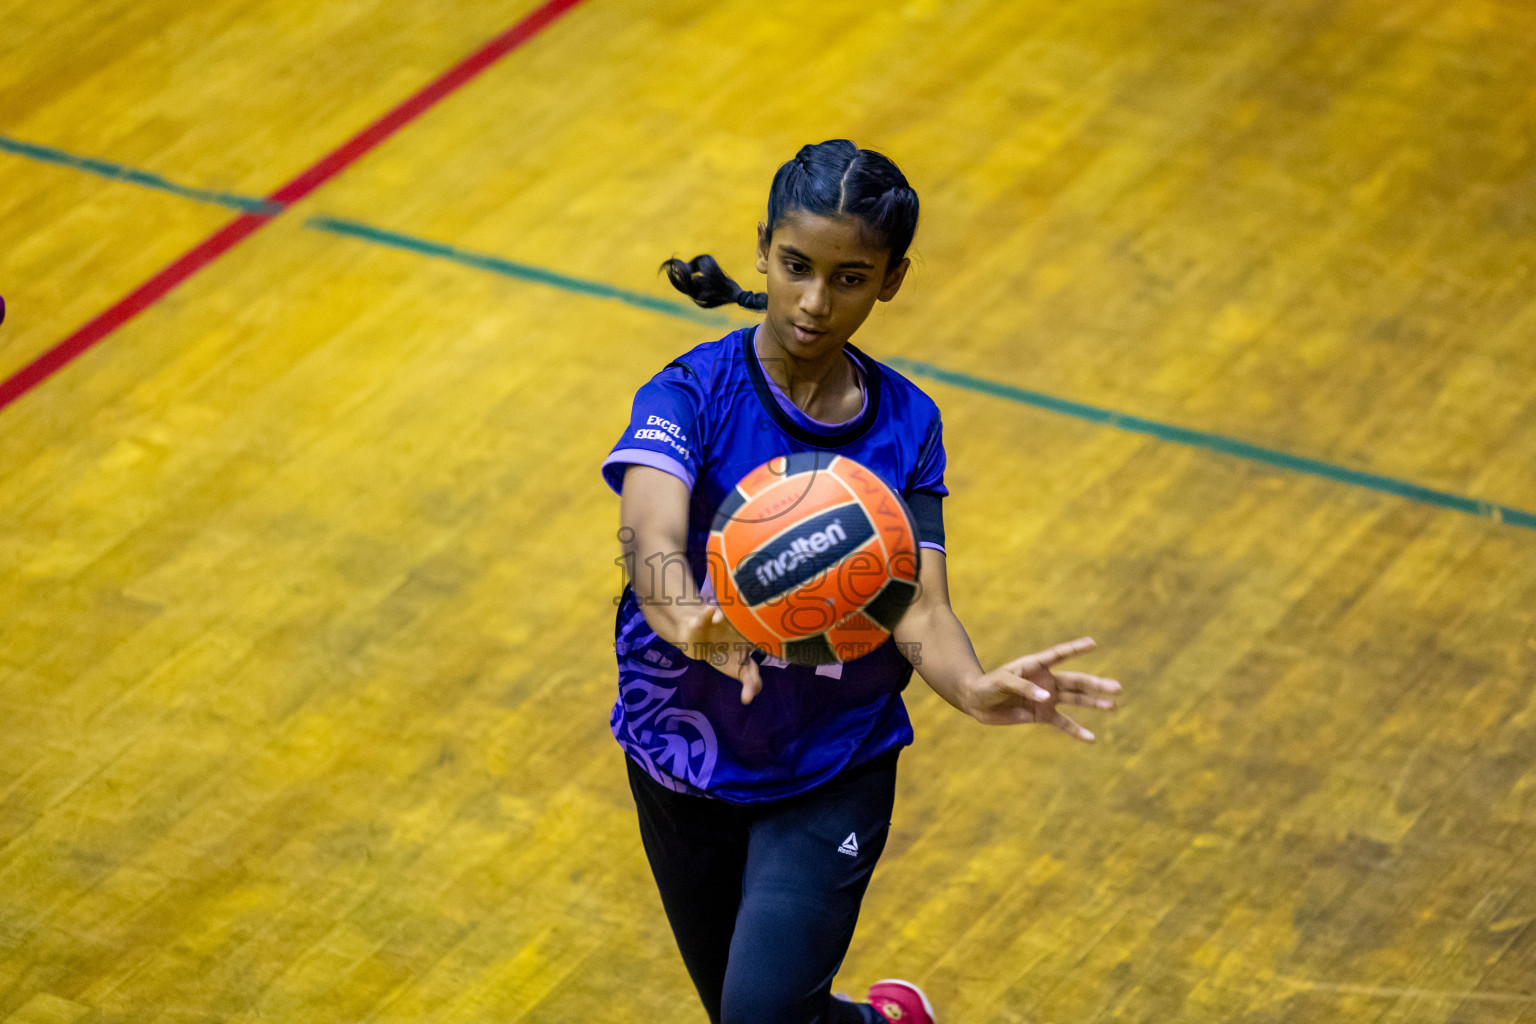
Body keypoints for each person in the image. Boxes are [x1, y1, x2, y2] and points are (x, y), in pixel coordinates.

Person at [601, 139, 1121, 1024]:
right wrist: (689, 619)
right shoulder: (689, 392)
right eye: (797, 266)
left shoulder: (908, 423)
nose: (813, 301)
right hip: (683, 756)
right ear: (763, 247)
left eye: (849, 277)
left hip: (832, 757)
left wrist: (971, 686)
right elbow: (648, 535)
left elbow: (920, 603)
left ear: (892, 279)